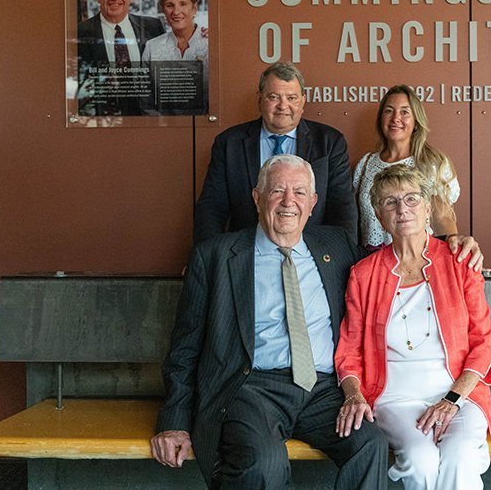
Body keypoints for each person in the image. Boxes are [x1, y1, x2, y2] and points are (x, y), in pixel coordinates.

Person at [151, 154, 388, 489]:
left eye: (300, 193)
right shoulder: (217, 255)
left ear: (313, 202)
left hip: (324, 389)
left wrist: (451, 248)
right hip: (252, 387)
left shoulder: (336, 245)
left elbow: (397, 264)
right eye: (277, 191)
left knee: (369, 444)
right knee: (263, 464)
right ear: (257, 197)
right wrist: (174, 420)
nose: (289, 202)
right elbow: (185, 346)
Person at [335, 164, 491, 490]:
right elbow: (349, 348)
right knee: (420, 460)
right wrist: (353, 394)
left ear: (428, 208)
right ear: (380, 217)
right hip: (396, 397)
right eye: (390, 202)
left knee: (461, 456)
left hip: (458, 393)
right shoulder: (363, 274)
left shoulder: (459, 262)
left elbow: (482, 339)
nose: (402, 209)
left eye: (412, 199)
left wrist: (452, 399)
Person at [194, 61, 357, 244]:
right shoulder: (229, 143)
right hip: (245, 254)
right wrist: (208, 259)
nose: (283, 105)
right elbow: (212, 208)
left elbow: (342, 208)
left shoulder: (330, 142)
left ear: (303, 101)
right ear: (260, 100)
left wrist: (344, 257)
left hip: (310, 255)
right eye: (274, 97)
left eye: (292, 97)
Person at [354, 85, 460, 251]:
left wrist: (454, 245)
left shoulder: (431, 163)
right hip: (371, 263)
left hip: (418, 261)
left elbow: (442, 218)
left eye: (405, 112)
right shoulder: (366, 164)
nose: (396, 118)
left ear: (416, 121)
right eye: (389, 111)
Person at [77, 0, 164, 116]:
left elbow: (171, 67)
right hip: (104, 121)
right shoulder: (80, 33)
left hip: (149, 119)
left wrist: (202, 36)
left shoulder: (153, 27)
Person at [141, 0, 209, 115]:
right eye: (170, 5)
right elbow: (145, 100)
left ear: (194, 8)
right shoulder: (152, 47)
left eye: (183, 4)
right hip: (163, 129)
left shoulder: (211, 44)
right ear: (164, 10)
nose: (176, 12)